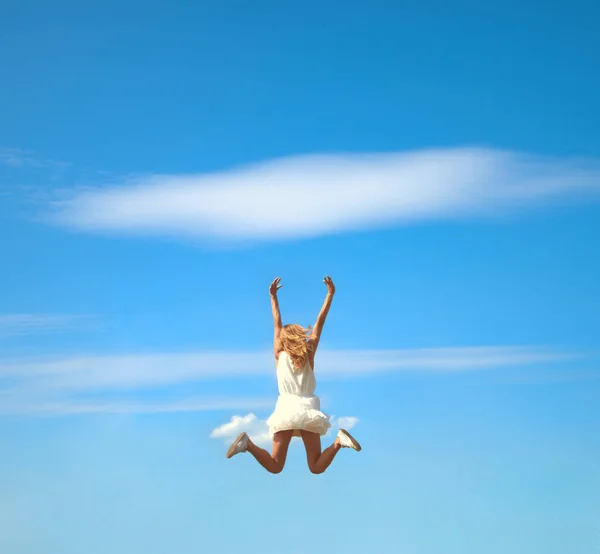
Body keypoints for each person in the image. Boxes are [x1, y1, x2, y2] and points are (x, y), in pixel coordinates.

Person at [225, 276, 361, 474]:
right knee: (315, 467)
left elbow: (276, 322)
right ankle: (339, 442)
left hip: (286, 408)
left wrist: (272, 297)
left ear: (283, 339)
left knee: (275, 466)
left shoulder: (279, 355)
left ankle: (248, 445)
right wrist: (330, 295)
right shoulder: (309, 354)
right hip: (308, 408)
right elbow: (319, 322)